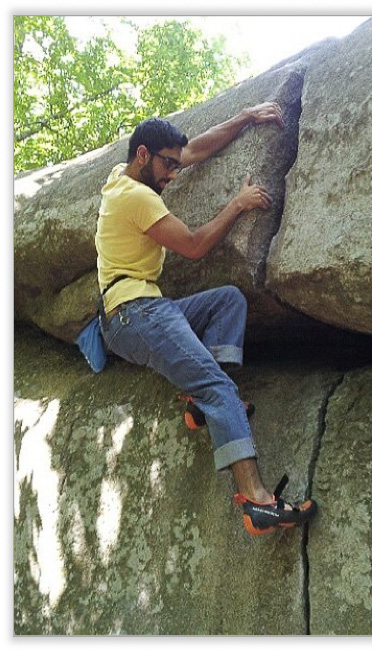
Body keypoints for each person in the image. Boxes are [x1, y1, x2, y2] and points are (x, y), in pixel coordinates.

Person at [95, 102, 317, 536]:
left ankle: (201, 405)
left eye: (175, 166)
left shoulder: (121, 176)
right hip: (134, 313)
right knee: (220, 388)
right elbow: (195, 246)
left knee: (228, 301)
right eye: (168, 166)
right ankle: (257, 502)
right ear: (143, 155)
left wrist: (247, 116)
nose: (174, 174)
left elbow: (194, 149)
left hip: (138, 309)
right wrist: (237, 204)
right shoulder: (136, 197)